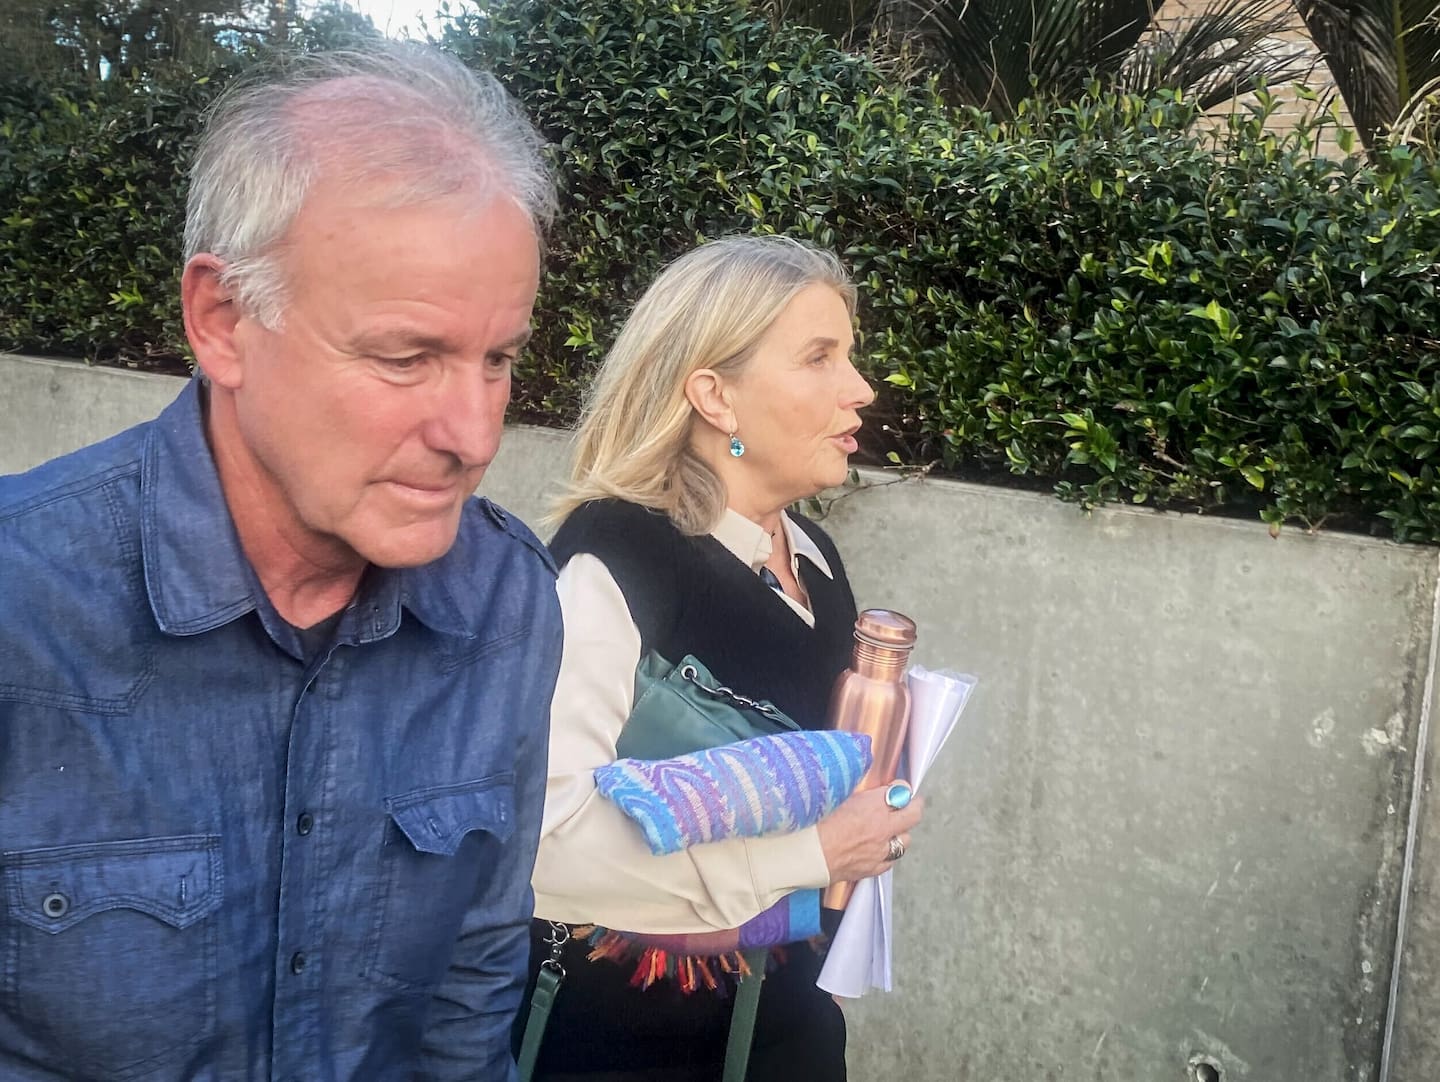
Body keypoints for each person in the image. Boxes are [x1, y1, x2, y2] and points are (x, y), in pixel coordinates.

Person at [0, 43, 562, 1080]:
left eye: (499, 358)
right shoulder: (21, 603)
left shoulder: (507, 605)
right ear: (222, 321)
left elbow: (469, 992)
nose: (476, 432)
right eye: (407, 358)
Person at [524, 235, 926, 1080]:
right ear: (715, 394)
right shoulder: (611, 563)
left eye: (850, 356)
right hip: (630, 1050)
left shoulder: (811, 553)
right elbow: (547, 850)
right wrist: (813, 858)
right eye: (820, 357)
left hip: (788, 1033)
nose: (861, 389)